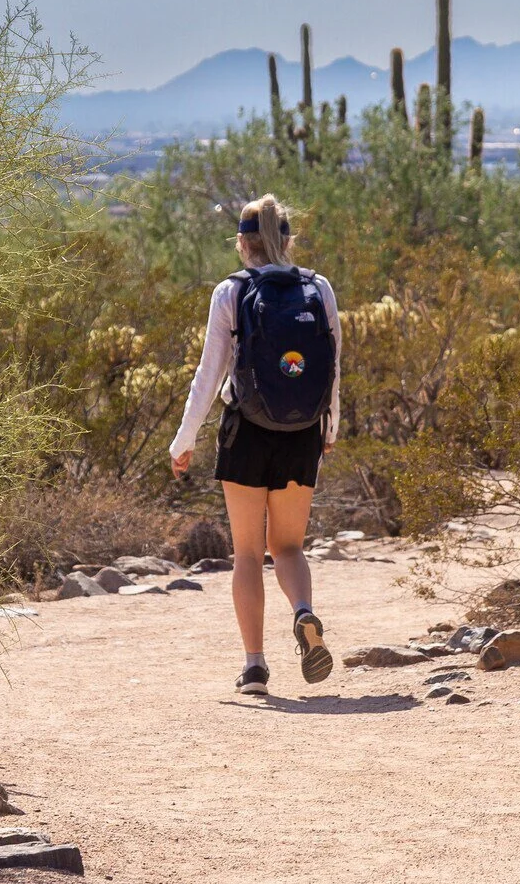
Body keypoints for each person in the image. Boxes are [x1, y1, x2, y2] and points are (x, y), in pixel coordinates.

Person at [170, 194, 341, 696]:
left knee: (247, 554)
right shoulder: (319, 288)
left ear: (243, 244)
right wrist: (327, 429)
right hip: (302, 433)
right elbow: (333, 366)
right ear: (287, 240)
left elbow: (209, 375)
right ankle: (304, 612)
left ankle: (255, 668)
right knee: (287, 546)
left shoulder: (231, 291)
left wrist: (183, 441)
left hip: (245, 431)